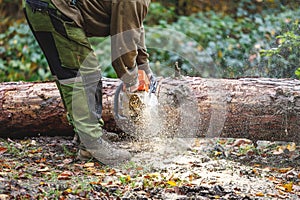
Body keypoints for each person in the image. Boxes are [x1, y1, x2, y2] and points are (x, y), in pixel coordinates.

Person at [23, 0, 154, 165]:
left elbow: (134, 27)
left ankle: (88, 133)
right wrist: (132, 80)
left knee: (77, 74)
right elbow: (124, 44)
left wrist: (144, 68)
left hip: (49, 7)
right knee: (83, 75)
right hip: (53, 8)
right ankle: (91, 145)